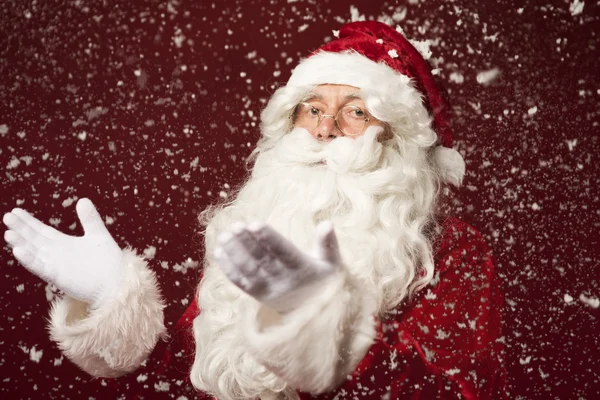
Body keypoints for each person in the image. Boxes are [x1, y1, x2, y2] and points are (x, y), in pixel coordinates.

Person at [2, 21, 506, 399]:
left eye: (355, 110)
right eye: (312, 107)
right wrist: (119, 310)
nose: (324, 128)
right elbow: (191, 382)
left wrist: (324, 333)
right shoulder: (261, 224)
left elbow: (455, 390)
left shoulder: (446, 250)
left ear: (398, 137)